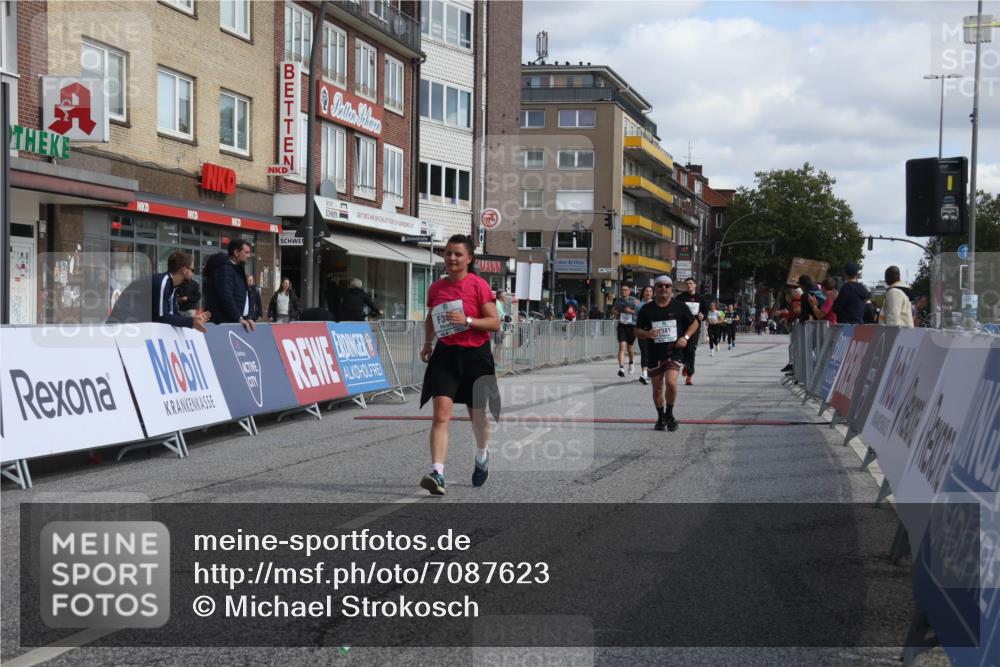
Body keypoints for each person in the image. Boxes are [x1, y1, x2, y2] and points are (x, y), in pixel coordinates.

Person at [418, 235, 501, 495]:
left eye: (457, 254)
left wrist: (468, 320)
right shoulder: (436, 288)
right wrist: (428, 342)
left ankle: (481, 456)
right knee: (441, 414)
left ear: (469, 258)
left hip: (476, 356)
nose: (451, 258)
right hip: (446, 354)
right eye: (447, 253)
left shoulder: (478, 286)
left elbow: (495, 323)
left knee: (477, 415)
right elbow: (431, 316)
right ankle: (438, 473)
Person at [635, 275, 700, 432]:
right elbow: (636, 330)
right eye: (660, 286)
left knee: (671, 383)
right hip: (654, 353)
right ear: (655, 289)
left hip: (674, 352)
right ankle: (661, 417)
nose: (664, 288)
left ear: (671, 289)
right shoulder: (646, 309)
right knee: (657, 389)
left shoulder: (679, 306)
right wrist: (647, 334)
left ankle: (669, 414)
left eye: (667, 286)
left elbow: (695, 323)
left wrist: (685, 337)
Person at [107, 250, 211, 332]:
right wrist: (190, 322)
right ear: (184, 270)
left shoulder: (172, 285)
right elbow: (162, 317)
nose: (193, 273)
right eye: (192, 270)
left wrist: (194, 320)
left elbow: (172, 314)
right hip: (121, 325)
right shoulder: (163, 282)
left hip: (131, 325)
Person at [203, 238, 255, 331]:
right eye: (246, 252)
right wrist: (238, 318)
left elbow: (242, 295)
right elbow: (226, 296)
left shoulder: (237, 269)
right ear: (236, 252)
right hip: (224, 324)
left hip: (233, 322)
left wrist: (246, 317)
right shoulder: (225, 269)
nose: (249, 256)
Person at [679, 277, 708, 386]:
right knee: (681, 348)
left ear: (695, 285)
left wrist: (703, 316)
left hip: (694, 328)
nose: (689, 285)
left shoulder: (701, 298)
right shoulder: (681, 297)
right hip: (682, 327)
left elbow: (705, 311)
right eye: (687, 284)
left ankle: (689, 376)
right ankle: (685, 364)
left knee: (691, 350)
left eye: (691, 283)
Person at [612, 282, 640, 378]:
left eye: (625, 290)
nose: (623, 291)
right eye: (622, 290)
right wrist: (615, 313)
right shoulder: (618, 301)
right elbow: (614, 310)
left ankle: (631, 362)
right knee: (622, 346)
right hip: (622, 325)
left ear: (629, 291)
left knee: (630, 347)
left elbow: (640, 312)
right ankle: (621, 368)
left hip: (631, 326)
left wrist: (631, 311)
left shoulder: (634, 301)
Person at [636, 285, 654, 384]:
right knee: (644, 352)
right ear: (643, 293)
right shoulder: (639, 305)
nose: (648, 293)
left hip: (654, 332)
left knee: (653, 353)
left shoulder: (656, 304)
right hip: (642, 332)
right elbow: (635, 318)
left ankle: (652, 372)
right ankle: (644, 374)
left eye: (650, 291)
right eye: (646, 291)